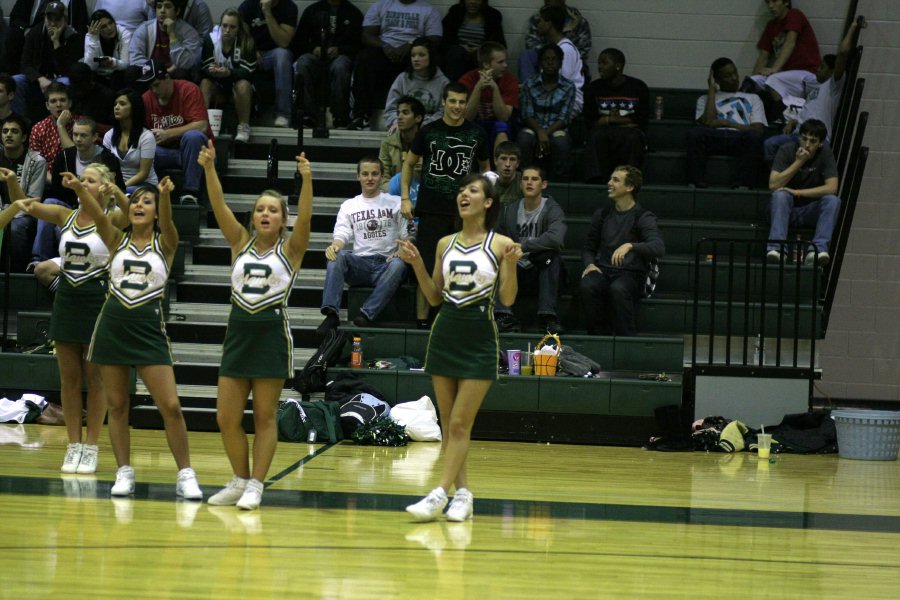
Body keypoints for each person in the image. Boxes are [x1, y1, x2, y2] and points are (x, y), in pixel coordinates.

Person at [64, 171, 201, 499]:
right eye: (136, 200)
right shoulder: (115, 239)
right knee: (118, 405)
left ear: (155, 211)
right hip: (112, 328)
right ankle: (124, 471)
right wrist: (80, 188)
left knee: (170, 405)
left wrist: (165, 196)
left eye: (147, 201)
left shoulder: (165, 242)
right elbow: (97, 213)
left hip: (149, 332)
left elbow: (168, 223)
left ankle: (185, 473)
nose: (140, 205)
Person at [399, 172, 521, 522]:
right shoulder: (444, 243)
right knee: (452, 424)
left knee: (458, 425)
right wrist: (418, 264)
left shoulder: (501, 244)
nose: (463, 194)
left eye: (472, 190)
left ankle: (439, 493)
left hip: (479, 338)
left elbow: (508, 298)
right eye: (461, 190)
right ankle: (463, 494)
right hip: (445, 335)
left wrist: (511, 266)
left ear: (488, 202)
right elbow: (435, 296)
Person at [200, 142, 313, 510]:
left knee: (264, 416)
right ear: (253, 217)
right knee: (226, 417)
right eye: (261, 209)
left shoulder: (291, 251)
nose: (266, 214)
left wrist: (307, 179)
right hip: (237, 335)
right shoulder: (238, 243)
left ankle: (257, 485)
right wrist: (209, 168)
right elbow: (218, 207)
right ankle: (239, 479)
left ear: (282, 219)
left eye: (273, 210)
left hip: (270, 335)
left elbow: (307, 220)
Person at [10, 162, 129, 476]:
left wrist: (116, 191)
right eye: (83, 179)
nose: (82, 183)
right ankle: (73, 444)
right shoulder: (67, 216)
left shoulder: (112, 218)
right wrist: (11, 181)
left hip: (97, 301)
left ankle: (91, 446)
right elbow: (27, 204)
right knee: (69, 380)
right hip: (67, 300)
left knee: (96, 380)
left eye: (90, 181)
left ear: (103, 187)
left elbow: (130, 213)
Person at [401, 81, 490, 327]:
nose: (457, 106)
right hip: (431, 210)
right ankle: (422, 322)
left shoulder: (477, 134)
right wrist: (406, 198)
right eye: (453, 101)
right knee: (427, 266)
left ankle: (455, 321)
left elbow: (485, 169)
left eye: (462, 102)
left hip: (465, 215)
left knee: (461, 267)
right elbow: (408, 164)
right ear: (443, 102)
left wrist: (480, 202)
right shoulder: (428, 131)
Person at [317, 157, 409, 333]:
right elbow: (342, 233)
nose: (370, 178)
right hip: (360, 265)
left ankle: (366, 314)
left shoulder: (396, 202)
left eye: (375, 174)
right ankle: (331, 315)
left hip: (386, 264)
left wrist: (401, 249)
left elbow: (406, 235)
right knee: (338, 256)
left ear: (382, 176)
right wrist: (335, 246)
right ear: (358, 177)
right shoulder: (349, 205)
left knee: (399, 264)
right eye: (365, 174)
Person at [763, 16, 864, 161]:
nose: (818, 69)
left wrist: (853, 26)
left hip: (817, 140)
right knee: (769, 144)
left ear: (831, 71)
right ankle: (780, 180)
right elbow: (809, 111)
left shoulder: (833, 86)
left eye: (822, 67)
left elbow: (842, 53)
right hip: (798, 135)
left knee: (777, 147)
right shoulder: (816, 90)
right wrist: (794, 121)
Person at [580, 165, 664, 336]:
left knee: (619, 288)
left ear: (630, 187)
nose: (609, 183)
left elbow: (658, 247)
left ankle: (626, 338)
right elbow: (589, 247)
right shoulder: (602, 214)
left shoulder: (642, 216)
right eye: (610, 179)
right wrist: (589, 264)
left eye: (615, 180)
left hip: (632, 274)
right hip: (604, 270)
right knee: (588, 284)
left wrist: (631, 245)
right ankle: (597, 336)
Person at [32, 116, 124, 268]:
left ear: (95, 137)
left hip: (100, 206)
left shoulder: (107, 158)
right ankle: (38, 258)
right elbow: (57, 190)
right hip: (71, 205)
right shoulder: (65, 156)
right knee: (49, 201)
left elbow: (118, 189)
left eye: (83, 135)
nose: (78, 139)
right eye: (75, 135)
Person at [349, 0, 442, 131]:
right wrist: (384, 46)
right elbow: (366, 35)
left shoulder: (428, 10)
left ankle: (421, 117)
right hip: (384, 50)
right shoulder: (381, 5)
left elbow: (434, 39)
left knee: (423, 55)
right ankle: (361, 117)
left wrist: (410, 45)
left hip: (412, 53)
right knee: (365, 57)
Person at [494, 164, 566, 333]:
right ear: (521, 184)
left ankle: (547, 316)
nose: (529, 183)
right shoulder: (509, 210)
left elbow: (556, 239)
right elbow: (498, 238)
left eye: (534, 179)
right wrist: (509, 250)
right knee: (500, 257)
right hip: (515, 267)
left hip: (539, 267)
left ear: (544, 184)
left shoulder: (552, 209)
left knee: (552, 257)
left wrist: (524, 246)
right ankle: (504, 315)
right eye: (525, 179)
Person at [766, 118, 839, 266]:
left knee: (833, 200)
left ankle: (817, 250)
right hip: (784, 210)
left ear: (820, 144)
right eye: (804, 139)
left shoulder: (825, 153)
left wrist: (797, 192)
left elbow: (832, 188)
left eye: (812, 141)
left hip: (809, 211)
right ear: (798, 137)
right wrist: (799, 162)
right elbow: (773, 184)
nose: (807, 145)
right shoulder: (786, 150)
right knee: (780, 195)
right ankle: (777, 249)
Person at [685, 57, 767, 189]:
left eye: (735, 72)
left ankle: (743, 184)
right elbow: (708, 122)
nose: (734, 78)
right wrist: (712, 90)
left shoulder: (753, 98)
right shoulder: (703, 99)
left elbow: (758, 129)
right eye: (728, 76)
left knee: (755, 137)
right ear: (716, 80)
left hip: (740, 138)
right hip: (714, 137)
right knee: (694, 134)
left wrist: (726, 123)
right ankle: (696, 182)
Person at [139, 59, 211, 204]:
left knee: (193, 137)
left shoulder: (188, 90)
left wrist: (168, 133)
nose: (153, 90)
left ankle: (190, 193)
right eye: (150, 87)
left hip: (194, 152)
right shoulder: (146, 98)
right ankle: (149, 193)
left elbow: (202, 125)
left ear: (166, 77)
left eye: (156, 85)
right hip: (165, 153)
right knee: (142, 148)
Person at [291, 0, 363, 130]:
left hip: (340, 56)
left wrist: (340, 49)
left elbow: (359, 43)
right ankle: (307, 116)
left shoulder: (353, 13)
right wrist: (313, 48)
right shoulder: (312, 10)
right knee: (303, 63)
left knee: (341, 66)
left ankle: (340, 117)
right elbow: (298, 40)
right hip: (315, 56)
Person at [583, 48, 650, 184]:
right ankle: (596, 179)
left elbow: (641, 121)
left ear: (618, 66)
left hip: (629, 132)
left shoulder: (638, 87)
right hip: (604, 131)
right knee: (596, 136)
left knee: (633, 137)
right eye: (599, 63)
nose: (600, 67)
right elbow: (591, 121)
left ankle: (629, 180)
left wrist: (608, 119)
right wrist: (624, 121)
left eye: (604, 63)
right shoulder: (594, 88)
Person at [748, 0, 821, 120]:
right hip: (787, 78)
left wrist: (775, 69)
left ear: (786, 2)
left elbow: (790, 41)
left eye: (775, 1)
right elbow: (763, 57)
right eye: (768, 2)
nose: (771, 6)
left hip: (807, 73)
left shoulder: (794, 15)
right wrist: (752, 83)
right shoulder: (771, 26)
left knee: (772, 80)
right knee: (754, 82)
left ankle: (781, 119)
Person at [13, 1, 85, 119]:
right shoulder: (35, 33)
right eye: (49, 18)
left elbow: (68, 70)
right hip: (38, 79)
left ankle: (64, 121)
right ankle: (20, 121)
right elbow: (25, 64)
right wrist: (39, 78)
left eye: (57, 20)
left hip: (60, 79)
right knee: (16, 80)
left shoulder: (73, 37)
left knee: (67, 82)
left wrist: (56, 43)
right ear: (44, 17)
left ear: (65, 20)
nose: (52, 23)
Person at [517, 44, 576, 182]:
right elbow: (527, 114)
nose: (550, 62)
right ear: (540, 63)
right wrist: (539, 132)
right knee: (524, 138)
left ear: (560, 63)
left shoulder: (568, 86)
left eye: (554, 59)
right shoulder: (529, 84)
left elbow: (564, 118)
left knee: (561, 142)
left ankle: (558, 183)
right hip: (533, 127)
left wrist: (545, 133)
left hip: (556, 128)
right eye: (546, 59)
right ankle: (523, 179)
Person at [200, 8, 256, 143]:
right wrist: (212, 71)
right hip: (217, 88)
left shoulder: (246, 42)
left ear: (238, 29)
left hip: (237, 91)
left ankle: (243, 127)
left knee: (243, 84)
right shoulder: (211, 40)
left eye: (232, 27)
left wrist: (228, 73)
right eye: (224, 26)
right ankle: (201, 124)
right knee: (205, 83)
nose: (227, 30)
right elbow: (204, 67)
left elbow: (248, 72)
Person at [239, 0, 297, 128]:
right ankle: (243, 120)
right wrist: (252, 50)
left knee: (282, 54)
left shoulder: (289, 7)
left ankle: (283, 115)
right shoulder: (247, 6)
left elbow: (284, 42)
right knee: (240, 53)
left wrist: (267, 12)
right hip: (253, 52)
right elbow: (241, 37)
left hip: (274, 54)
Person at [0, 114, 47, 271]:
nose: (8, 134)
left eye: (14, 131)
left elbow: (30, 205)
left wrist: (12, 181)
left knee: (15, 228)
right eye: (5, 131)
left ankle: (16, 276)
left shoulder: (37, 161)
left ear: (24, 137)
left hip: (24, 214)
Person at [459, 41, 518, 152]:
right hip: (475, 124)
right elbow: (466, 118)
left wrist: (494, 88)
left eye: (505, 61)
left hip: (497, 125)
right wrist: (478, 87)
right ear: (486, 64)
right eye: (500, 62)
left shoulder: (510, 80)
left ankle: (500, 169)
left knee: (502, 129)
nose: (505, 65)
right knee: (464, 129)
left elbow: (504, 117)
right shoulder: (467, 80)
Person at [383, 37, 449, 132]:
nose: (416, 59)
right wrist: (397, 122)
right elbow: (390, 109)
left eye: (421, 55)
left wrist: (422, 126)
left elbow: (444, 112)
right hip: (402, 129)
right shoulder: (402, 79)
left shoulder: (443, 82)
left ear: (431, 57)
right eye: (413, 55)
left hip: (430, 130)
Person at [129, 0, 202, 82]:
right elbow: (135, 59)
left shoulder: (189, 32)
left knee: (182, 73)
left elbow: (185, 64)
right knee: (132, 71)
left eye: (167, 6)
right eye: (159, 7)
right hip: (150, 74)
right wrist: (160, 71)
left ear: (177, 11)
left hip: (174, 75)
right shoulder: (144, 29)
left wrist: (172, 34)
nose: (162, 11)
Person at [520, 0, 591, 83]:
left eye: (541, 22)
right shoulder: (538, 18)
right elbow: (531, 43)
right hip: (543, 59)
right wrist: (550, 54)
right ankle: (529, 91)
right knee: (527, 55)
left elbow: (584, 49)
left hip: (569, 62)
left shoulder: (579, 22)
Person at [104, 88, 158, 192]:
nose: (117, 107)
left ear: (134, 108)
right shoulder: (109, 135)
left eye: (122, 104)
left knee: (127, 191)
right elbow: (106, 169)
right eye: (115, 104)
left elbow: (143, 173)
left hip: (146, 185)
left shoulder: (146, 136)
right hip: (119, 185)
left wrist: (120, 188)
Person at [533, 3, 583, 114]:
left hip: (570, 101)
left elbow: (561, 85)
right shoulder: (555, 48)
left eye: (541, 21)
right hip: (556, 97)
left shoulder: (566, 49)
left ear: (549, 24)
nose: (538, 24)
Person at [440, 0, 506, 82]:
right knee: (457, 53)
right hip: (457, 53)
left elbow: (499, 43)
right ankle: (453, 87)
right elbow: (445, 39)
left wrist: (481, 49)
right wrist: (461, 48)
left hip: (480, 54)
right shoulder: (455, 12)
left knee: (482, 57)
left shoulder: (492, 15)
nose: (473, 2)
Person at [379, 95, 424, 191]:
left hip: (422, 197)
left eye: (405, 113)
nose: (399, 117)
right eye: (398, 113)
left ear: (418, 118)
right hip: (394, 197)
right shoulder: (388, 143)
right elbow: (383, 178)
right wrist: (400, 193)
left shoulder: (430, 143)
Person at [83, 9, 132, 91]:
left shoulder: (124, 34)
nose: (109, 28)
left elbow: (126, 64)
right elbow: (90, 67)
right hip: (98, 74)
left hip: (117, 73)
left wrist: (113, 62)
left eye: (111, 23)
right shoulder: (91, 36)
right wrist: (93, 39)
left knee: (118, 76)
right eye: (103, 26)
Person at [493, 140, 521, 205]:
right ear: (495, 161)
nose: (508, 164)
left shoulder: (524, 181)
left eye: (512, 159)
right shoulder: (487, 181)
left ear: (518, 163)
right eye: (503, 158)